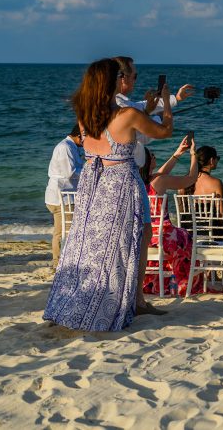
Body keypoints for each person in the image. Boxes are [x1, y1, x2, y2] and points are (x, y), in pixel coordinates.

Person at [44, 58, 174, 331]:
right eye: (119, 76)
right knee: (127, 242)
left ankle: (97, 300)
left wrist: (146, 109)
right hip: (121, 182)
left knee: (93, 245)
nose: (123, 80)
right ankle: (125, 303)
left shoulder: (85, 113)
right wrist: (165, 103)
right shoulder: (127, 115)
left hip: (94, 183)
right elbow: (164, 132)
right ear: (111, 81)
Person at [140, 136, 204, 296]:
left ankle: (158, 282)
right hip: (162, 236)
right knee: (185, 236)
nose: (155, 156)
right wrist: (193, 155)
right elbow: (190, 179)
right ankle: (184, 284)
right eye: (152, 155)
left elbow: (162, 172)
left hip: (144, 236)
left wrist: (177, 153)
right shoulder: (159, 181)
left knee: (181, 235)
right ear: (148, 161)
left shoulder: (140, 181)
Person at [113, 56, 194, 169]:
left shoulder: (118, 102)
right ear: (122, 78)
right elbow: (151, 134)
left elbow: (139, 107)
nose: (135, 80)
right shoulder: (119, 105)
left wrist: (176, 98)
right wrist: (163, 109)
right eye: (134, 76)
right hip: (126, 172)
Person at [44, 125, 84, 268]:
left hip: (61, 195)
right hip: (61, 197)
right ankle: (58, 263)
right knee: (62, 231)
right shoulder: (65, 147)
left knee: (62, 230)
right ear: (79, 135)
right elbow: (70, 172)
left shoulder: (70, 146)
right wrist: (89, 170)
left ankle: (60, 262)